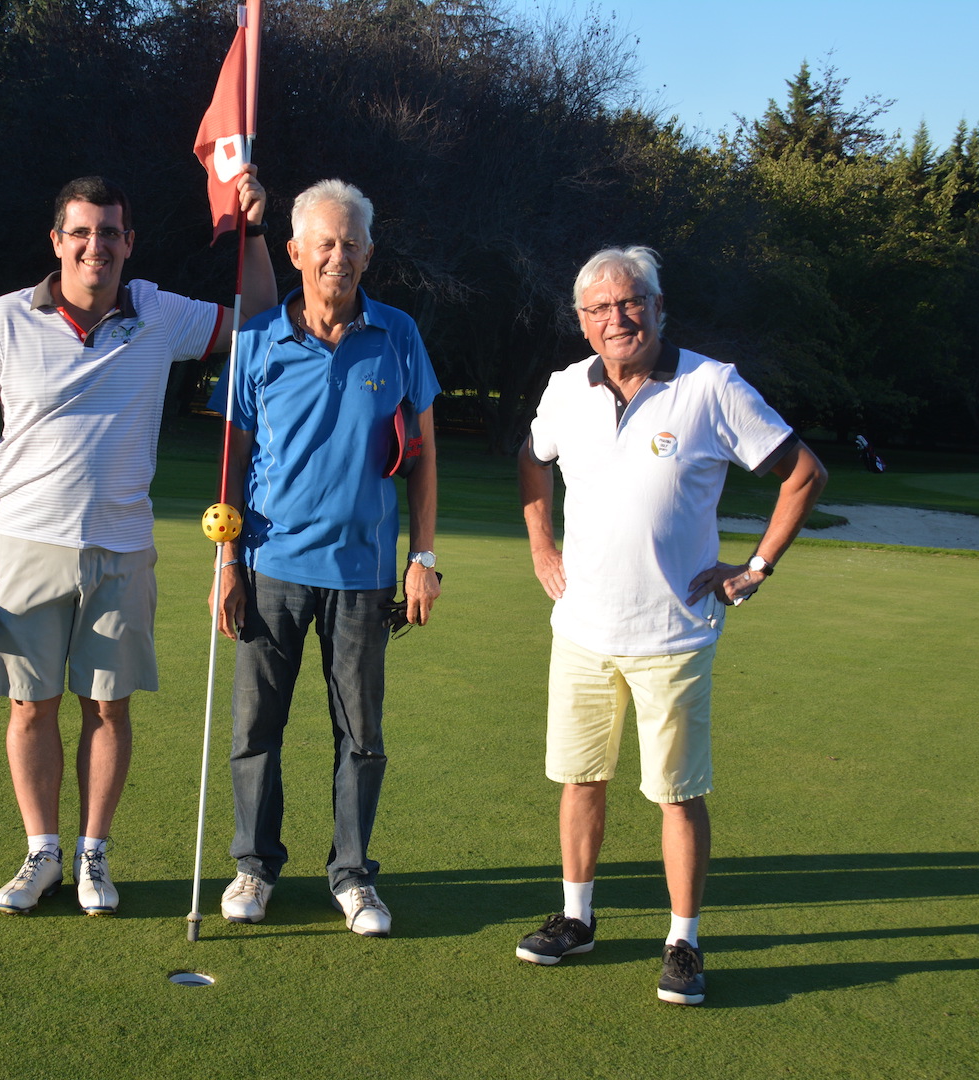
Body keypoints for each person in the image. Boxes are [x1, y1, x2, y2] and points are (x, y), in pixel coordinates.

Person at [0, 172, 276, 916]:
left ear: (129, 243)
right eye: (81, 233)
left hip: (122, 548)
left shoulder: (156, 312)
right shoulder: (3, 318)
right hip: (25, 543)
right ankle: (41, 852)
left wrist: (254, 229)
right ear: (57, 242)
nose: (96, 246)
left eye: (109, 232)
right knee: (30, 708)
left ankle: (94, 858)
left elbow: (261, 315)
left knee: (109, 708)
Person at [516, 245, 827, 1004]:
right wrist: (541, 546)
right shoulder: (567, 387)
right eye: (599, 309)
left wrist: (755, 567)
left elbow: (803, 472)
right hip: (583, 630)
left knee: (676, 795)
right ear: (582, 321)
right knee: (579, 781)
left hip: (674, 635)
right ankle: (576, 917)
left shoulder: (711, 386)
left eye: (631, 303)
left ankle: (683, 940)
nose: (616, 319)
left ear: (658, 309)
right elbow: (531, 461)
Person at [208, 179, 442, 937]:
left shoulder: (398, 334)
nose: (339, 256)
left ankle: (352, 876)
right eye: (326, 242)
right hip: (272, 566)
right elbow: (232, 462)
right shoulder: (255, 343)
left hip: (367, 574)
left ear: (369, 253)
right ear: (296, 250)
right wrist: (228, 563)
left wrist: (423, 557)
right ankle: (254, 866)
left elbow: (426, 457)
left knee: (362, 736)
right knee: (255, 730)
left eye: (352, 244)